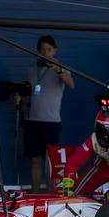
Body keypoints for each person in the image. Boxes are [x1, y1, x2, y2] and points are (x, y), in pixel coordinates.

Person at [12, 35, 75, 193]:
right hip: (32, 121)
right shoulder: (32, 71)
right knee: (35, 160)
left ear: (54, 50)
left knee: (50, 161)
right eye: (42, 50)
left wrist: (58, 70)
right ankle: (35, 192)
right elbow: (32, 94)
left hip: (51, 122)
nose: (45, 53)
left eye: (48, 50)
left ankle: (50, 192)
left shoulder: (62, 69)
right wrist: (21, 98)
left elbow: (71, 85)